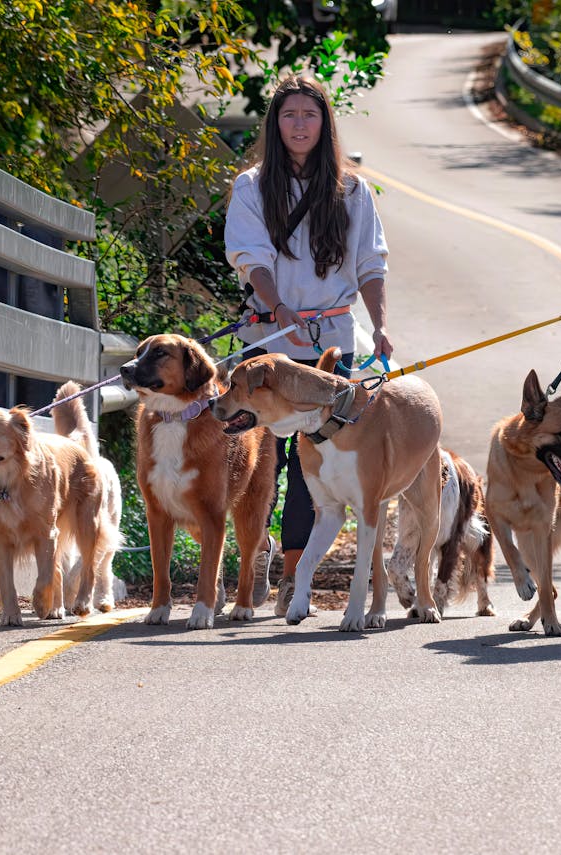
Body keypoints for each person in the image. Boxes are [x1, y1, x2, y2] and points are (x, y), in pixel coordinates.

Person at [225, 73, 393, 613]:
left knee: (313, 461)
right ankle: (254, 562)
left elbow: (370, 263)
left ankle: (294, 579)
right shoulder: (252, 187)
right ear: (275, 124)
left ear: (325, 124)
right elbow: (252, 257)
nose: (300, 125)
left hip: (331, 346)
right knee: (260, 459)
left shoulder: (351, 190)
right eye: (290, 115)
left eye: (310, 115)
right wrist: (279, 309)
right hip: (269, 342)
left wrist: (381, 323)